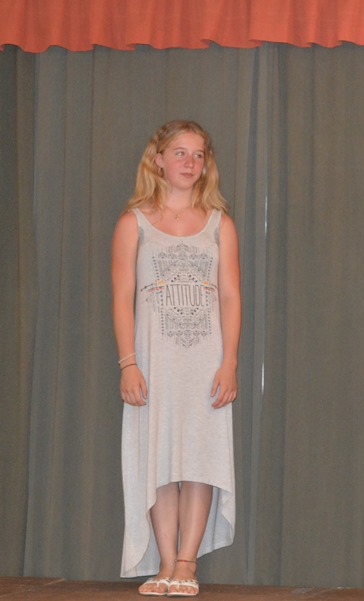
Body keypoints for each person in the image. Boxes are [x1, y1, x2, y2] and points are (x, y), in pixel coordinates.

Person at [112, 120, 240, 598]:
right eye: (181, 153)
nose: (191, 162)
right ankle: (166, 562)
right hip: (153, 364)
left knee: (201, 461)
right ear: (158, 159)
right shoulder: (134, 223)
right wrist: (128, 363)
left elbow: (231, 296)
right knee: (159, 462)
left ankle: (188, 562)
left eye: (199, 154)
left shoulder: (219, 224)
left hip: (206, 363)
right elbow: (121, 296)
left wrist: (229, 363)